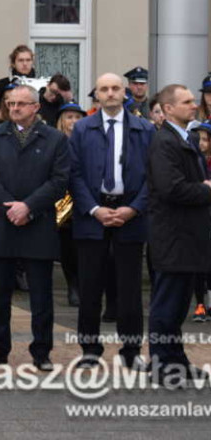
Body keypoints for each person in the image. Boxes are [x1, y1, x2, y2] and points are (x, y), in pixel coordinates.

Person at [0, 84, 69, 370]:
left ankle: (41, 351)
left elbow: (59, 181)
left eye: (21, 103)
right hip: (1, 223)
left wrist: (28, 206)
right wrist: (11, 207)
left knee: (41, 296)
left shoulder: (55, 139)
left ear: (36, 107)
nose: (15, 108)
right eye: (11, 103)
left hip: (37, 224)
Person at [67, 73, 153, 369]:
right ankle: (90, 350)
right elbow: (73, 174)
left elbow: (152, 176)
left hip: (130, 214)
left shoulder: (145, 129)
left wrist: (134, 209)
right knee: (90, 286)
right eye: (105, 89)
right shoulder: (81, 129)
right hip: (93, 215)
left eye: (116, 88)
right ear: (97, 95)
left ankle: (131, 351)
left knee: (130, 289)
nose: (111, 93)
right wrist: (93, 209)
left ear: (125, 93)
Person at [146, 84, 211, 386]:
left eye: (193, 100)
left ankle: (177, 362)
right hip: (172, 237)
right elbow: (170, 187)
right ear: (168, 108)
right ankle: (161, 363)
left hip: (187, 237)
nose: (193, 105)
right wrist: (206, 189)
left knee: (178, 306)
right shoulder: (164, 142)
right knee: (166, 305)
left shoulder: (186, 138)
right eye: (186, 101)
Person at [54, 102, 85, 306]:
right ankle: (72, 285)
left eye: (76, 117)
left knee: (83, 247)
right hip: (62, 201)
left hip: (84, 199)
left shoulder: (87, 140)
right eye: (68, 117)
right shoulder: (56, 141)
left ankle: (84, 285)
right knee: (67, 248)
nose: (73, 122)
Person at [190, 122, 211, 322]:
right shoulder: (192, 161)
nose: (202, 144)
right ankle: (200, 304)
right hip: (198, 217)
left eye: (206, 139)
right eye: (199, 140)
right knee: (199, 266)